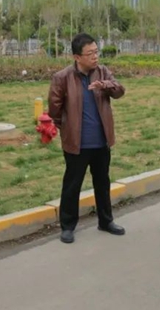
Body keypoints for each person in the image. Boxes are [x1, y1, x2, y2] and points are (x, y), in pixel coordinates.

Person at [48, 33, 126, 244]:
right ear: (77, 57)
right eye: (90, 53)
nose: (95, 56)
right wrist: (67, 128)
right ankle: (67, 226)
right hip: (77, 143)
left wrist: (105, 85)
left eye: (96, 51)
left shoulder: (102, 72)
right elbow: (54, 110)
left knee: (102, 182)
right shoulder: (62, 77)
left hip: (101, 141)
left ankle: (106, 221)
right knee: (72, 185)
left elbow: (120, 91)